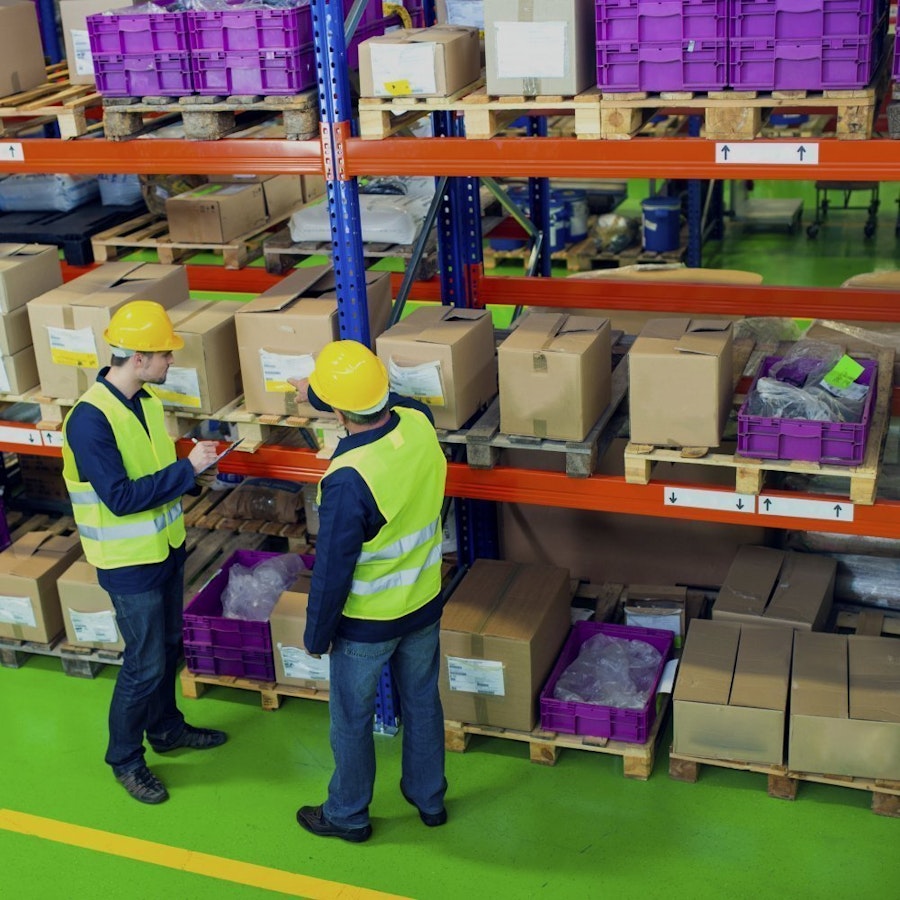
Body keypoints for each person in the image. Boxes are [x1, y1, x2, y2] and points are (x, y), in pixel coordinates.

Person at [61, 300, 227, 805]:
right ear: (137, 358)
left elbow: (152, 472)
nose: (170, 361)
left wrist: (193, 477)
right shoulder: (90, 420)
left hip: (165, 547)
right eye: (164, 354)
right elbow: (120, 496)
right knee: (144, 663)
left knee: (168, 648)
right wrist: (185, 470)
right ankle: (125, 759)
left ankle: (167, 729)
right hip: (127, 563)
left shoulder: (147, 402)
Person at [291, 340, 448, 844]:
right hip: (423, 603)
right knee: (422, 702)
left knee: (352, 719)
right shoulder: (420, 424)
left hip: (368, 624)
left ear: (338, 413)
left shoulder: (348, 479)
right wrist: (326, 393)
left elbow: (332, 572)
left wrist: (316, 636)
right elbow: (390, 402)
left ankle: (347, 814)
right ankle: (429, 799)